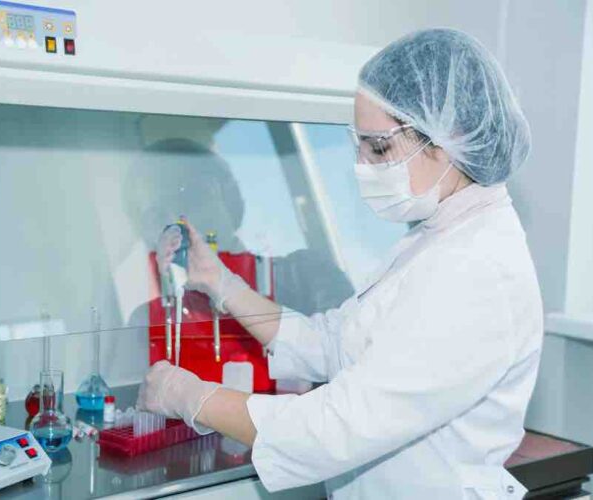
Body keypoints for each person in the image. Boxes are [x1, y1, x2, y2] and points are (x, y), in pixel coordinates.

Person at [136, 28, 542, 499]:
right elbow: (333, 344)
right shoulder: (436, 238)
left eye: (380, 148)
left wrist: (192, 398)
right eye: (359, 145)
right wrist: (221, 282)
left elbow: (338, 426)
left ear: (445, 140)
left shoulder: (479, 272)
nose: (362, 166)